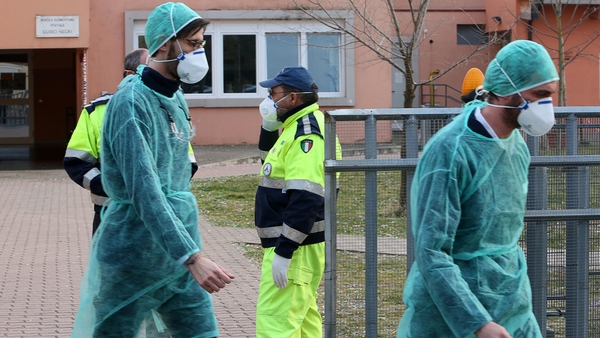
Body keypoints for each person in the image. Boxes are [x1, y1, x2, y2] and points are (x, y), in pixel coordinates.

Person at [71, 3, 234, 337]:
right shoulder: (130, 103)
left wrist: (187, 252)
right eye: (192, 43)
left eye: (201, 43)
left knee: (201, 331)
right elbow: (145, 191)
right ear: (163, 45)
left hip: (176, 254)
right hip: (133, 255)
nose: (199, 52)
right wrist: (191, 257)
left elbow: (176, 176)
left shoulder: (175, 98)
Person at [397, 39, 559, 338]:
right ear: (508, 91)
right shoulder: (450, 152)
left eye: (550, 95)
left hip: (510, 301)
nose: (547, 105)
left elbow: (502, 239)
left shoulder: (517, 145)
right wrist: (476, 323)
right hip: (448, 318)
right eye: (540, 95)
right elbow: (432, 251)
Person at [254, 66, 330, 337]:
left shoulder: (305, 133)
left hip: (295, 246)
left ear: (293, 98)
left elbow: (306, 196)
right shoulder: (295, 126)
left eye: (273, 94)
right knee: (303, 324)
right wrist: (268, 127)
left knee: (275, 324)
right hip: (300, 245)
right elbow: (270, 165)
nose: (269, 100)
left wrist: (285, 251)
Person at [63, 48, 164, 237]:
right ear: (129, 75)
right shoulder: (96, 111)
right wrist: (111, 188)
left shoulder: (166, 110)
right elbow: (76, 162)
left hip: (158, 213)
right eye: (150, 70)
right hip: (109, 212)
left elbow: (186, 162)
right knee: (108, 267)